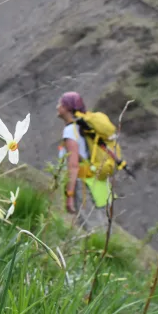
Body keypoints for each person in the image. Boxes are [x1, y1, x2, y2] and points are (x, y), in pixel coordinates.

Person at [56, 91, 108, 230]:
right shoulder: (83, 128)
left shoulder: (70, 131)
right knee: (101, 225)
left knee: (90, 228)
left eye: (60, 104)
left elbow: (73, 165)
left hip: (83, 185)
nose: (57, 107)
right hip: (98, 184)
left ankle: (95, 252)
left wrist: (70, 194)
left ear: (67, 108)